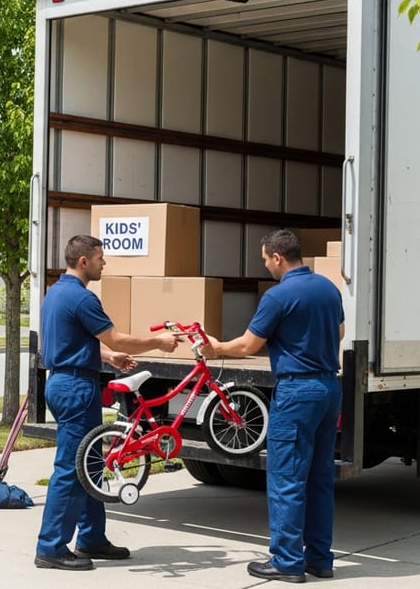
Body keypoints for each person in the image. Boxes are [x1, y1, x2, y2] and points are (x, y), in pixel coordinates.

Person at [200, 229, 344, 583]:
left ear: (278, 257)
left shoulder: (278, 297)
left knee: (287, 478)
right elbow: (339, 333)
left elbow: (249, 345)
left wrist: (215, 348)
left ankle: (287, 561)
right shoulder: (329, 288)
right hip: (329, 388)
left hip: (297, 392)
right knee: (320, 478)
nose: (265, 265)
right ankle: (320, 559)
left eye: (265, 259)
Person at [35, 234, 180, 571]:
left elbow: (79, 340)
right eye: (101, 258)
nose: (105, 263)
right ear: (83, 261)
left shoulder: (56, 293)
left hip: (63, 379)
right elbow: (116, 336)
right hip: (75, 386)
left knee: (91, 464)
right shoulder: (83, 299)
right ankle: (51, 547)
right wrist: (158, 341)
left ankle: (91, 538)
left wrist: (108, 355)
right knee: (73, 468)